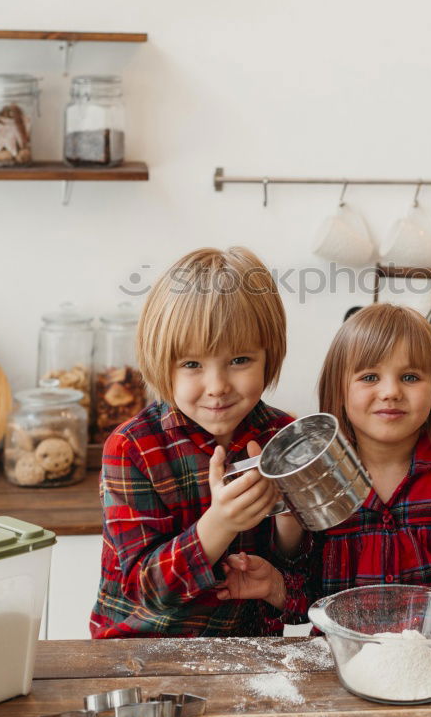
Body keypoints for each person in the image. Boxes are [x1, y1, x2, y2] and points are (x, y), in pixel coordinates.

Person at [217, 303, 431, 661]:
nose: (390, 392)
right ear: (341, 389)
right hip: (345, 661)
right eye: (370, 377)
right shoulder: (321, 475)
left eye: (410, 377)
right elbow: (305, 594)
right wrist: (278, 567)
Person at [90, 246, 304, 638]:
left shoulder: (284, 438)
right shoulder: (132, 448)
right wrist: (221, 523)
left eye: (239, 360)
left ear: (268, 356)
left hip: (243, 655)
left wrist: (290, 515)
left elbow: (303, 587)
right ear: (160, 362)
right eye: (192, 364)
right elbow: (146, 589)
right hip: (138, 654)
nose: (217, 387)